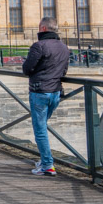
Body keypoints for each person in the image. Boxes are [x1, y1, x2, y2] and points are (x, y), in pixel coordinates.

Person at [22, 16, 70, 176]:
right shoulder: (64, 47)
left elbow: (27, 69)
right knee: (42, 126)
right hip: (55, 92)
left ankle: (48, 165)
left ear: (43, 28)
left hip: (39, 92)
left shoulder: (39, 46)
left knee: (40, 129)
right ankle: (44, 160)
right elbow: (63, 71)